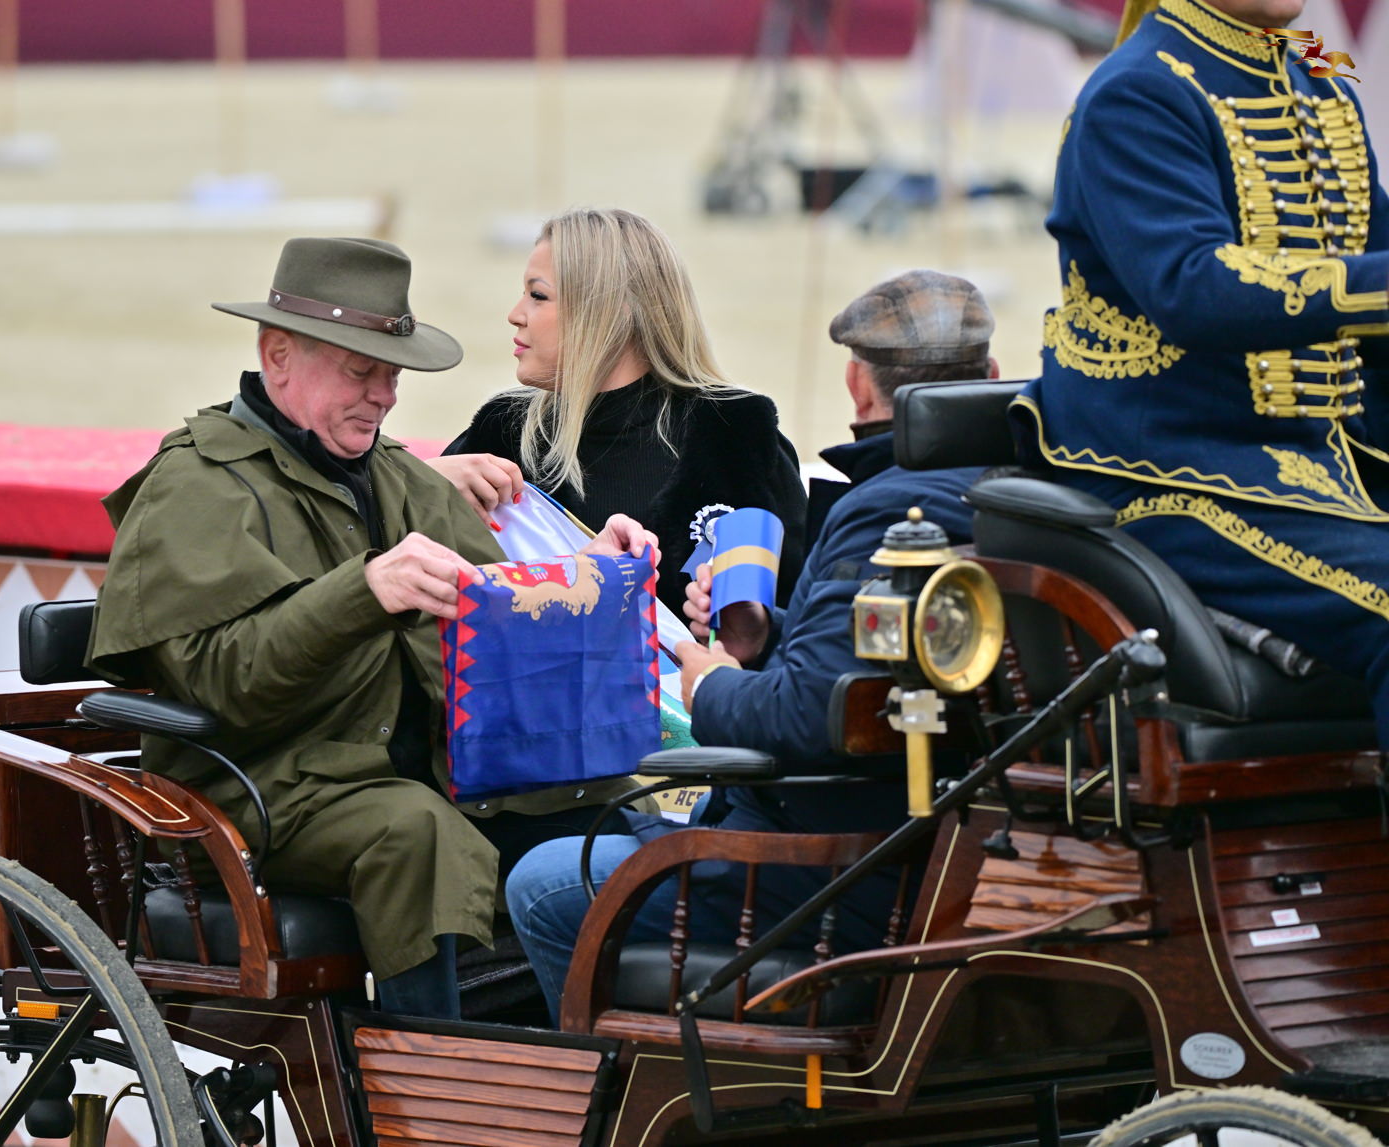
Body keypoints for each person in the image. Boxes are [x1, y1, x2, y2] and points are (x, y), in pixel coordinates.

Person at [85, 237, 658, 1020]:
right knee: (413, 833)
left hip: (420, 774)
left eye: (391, 375)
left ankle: (586, 1062)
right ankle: (422, 1071)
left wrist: (584, 578)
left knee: (604, 819)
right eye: (361, 371)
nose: (384, 396)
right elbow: (223, 680)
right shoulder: (198, 483)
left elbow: (495, 621)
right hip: (264, 788)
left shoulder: (398, 476)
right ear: (278, 355)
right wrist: (364, 590)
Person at [505, 270, 997, 1025]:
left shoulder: (888, 512)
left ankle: (613, 1084)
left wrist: (709, 683)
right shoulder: (1002, 491)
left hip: (836, 867)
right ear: (989, 376)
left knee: (543, 881)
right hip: (927, 850)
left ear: (856, 383)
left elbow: (809, 713)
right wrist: (763, 637)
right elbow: (859, 672)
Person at [1010, 0, 1389, 743]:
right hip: (1176, 477)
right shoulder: (1137, 90)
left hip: (1323, 471)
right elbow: (1193, 287)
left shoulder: (1314, 72)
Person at [429, 207, 807, 617]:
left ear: (612, 311)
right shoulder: (503, 430)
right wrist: (429, 479)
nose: (515, 314)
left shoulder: (737, 431)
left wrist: (748, 630)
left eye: (537, 295)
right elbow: (416, 580)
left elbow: (803, 614)